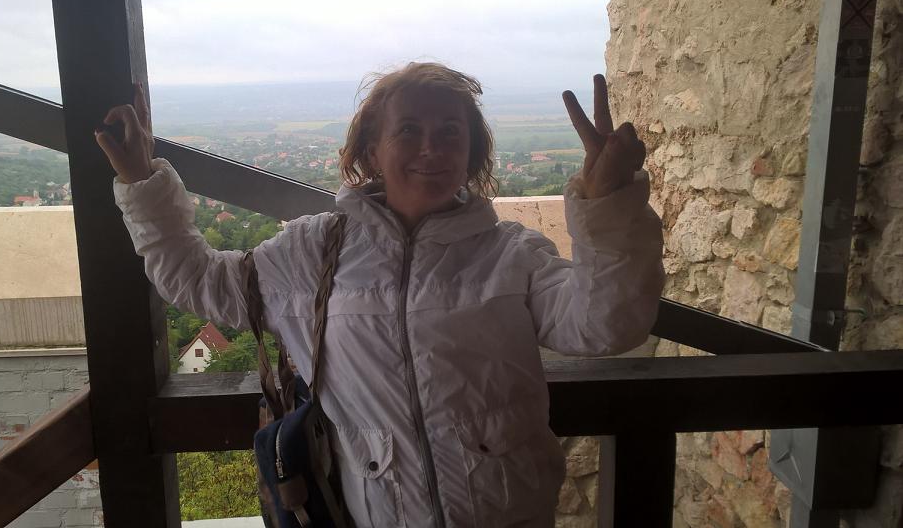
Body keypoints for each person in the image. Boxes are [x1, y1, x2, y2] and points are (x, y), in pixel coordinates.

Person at [97, 62, 664, 528]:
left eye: (450, 132)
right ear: (371, 151)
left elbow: (605, 324)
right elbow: (199, 280)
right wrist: (142, 182)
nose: (431, 148)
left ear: (471, 153)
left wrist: (608, 202)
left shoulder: (511, 254)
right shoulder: (311, 252)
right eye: (408, 130)